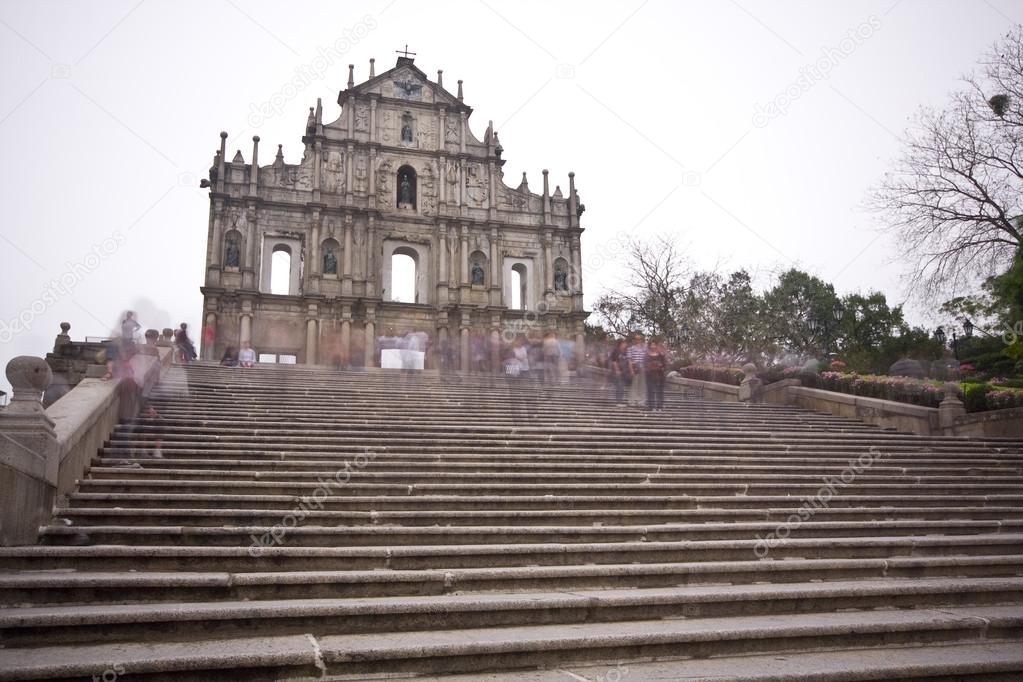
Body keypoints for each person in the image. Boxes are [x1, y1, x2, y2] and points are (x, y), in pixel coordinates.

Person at [645, 336, 668, 411]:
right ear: (649, 346)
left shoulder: (661, 355)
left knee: (659, 391)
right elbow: (644, 364)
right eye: (651, 345)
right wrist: (650, 366)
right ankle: (651, 406)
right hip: (650, 375)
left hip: (659, 375)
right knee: (650, 390)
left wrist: (660, 366)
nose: (653, 346)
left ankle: (659, 406)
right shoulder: (647, 355)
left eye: (654, 344)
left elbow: (665, 364)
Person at [626, 333, 647, 407]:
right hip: (635, 368)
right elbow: (629, 360)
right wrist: (631, 370)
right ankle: (632, 401)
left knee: (642, 385)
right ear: (634, 340)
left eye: (639, 339)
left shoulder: (645, 349)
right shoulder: (630, 349)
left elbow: (646, 359)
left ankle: (641, 401)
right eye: (636, 339)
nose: (638, 340)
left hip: (643, 369)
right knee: (634, 385)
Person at [609, 339, 631, 405]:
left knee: (622, 387)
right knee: (619, 386)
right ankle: (619, 401)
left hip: (624, 372)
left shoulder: (626, 351)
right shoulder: (616, 351)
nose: (625, 345)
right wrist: (617, 370)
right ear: (621, 344)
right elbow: (614, 361)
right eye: (624, 343)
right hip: (617, 372)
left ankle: (619, 400)